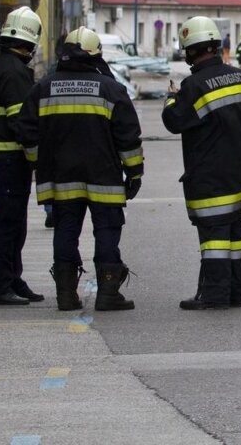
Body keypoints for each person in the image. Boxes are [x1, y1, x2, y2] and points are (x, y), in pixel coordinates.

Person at [16, 28, 144, 312]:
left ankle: (66, 295)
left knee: (65, 230)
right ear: (95, 56)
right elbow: (128, 137)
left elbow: (26, 131)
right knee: (107, 231)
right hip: (104, 178)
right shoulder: (111, 90)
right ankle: (108, 294)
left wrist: (40, 163)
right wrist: (134, 173)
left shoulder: (44, 88)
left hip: (61, 179)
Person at [163, 16, 241, 310]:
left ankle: (215, 295)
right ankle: (236, 294)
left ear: (192, 51)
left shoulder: (193, 85)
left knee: (215, 238)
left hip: (212, 175)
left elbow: (175, 121)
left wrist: (171, 99)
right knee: (235, 236)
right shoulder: (239, 77)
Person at [0, 6, 44, 306]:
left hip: (1, 156)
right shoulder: (16, 74)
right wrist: (37, 157)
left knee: (13, 222)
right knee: (7, 224)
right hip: (13, 159)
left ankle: (12, 279)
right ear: (30, 43)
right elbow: (23, 124)